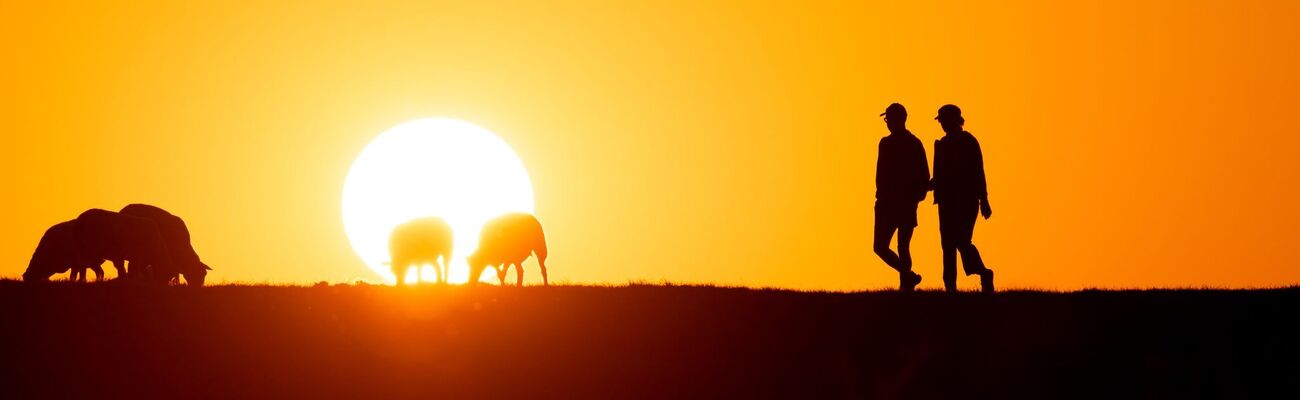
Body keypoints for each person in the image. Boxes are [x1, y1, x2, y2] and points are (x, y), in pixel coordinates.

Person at [931, 104, 995, 292]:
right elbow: (940, 176)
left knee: (961, 241)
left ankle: (983, 272)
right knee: (947, 245)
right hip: (946, 202)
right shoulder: (941, 145)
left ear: (954, 120)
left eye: (943, 119)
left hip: (966, 201)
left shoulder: (968, 142)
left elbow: (978, 172)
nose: (941, 123)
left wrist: (984, 200)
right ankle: (950, 287)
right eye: (940, 120)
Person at [873, 103, 928, 291]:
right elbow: (880, 174)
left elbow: (923, 174)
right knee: (881, 247)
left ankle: (906, 284)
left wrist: (916, 196)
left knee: (902, 246)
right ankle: (908, 277)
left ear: (901, 119)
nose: (888, 123)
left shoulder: (913, 143)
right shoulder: (887, 143)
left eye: (889, 119)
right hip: (888, 203)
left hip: (902, 202)